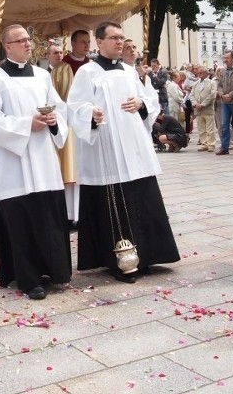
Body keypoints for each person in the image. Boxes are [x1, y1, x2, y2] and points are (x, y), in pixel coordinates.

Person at [68, 21, 180, 283]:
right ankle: (119, 260)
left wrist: (142, 104)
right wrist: (91, 114)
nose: (120, 42)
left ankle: (148, 254)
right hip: (106, 148)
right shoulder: (88, 72)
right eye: (114, 38)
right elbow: (74, 107)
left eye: (121, 37)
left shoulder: (130, 71)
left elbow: (149, 103)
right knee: (114, 204)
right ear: (100, 42)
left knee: (141, 199)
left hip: (135, 148)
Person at [0, 24, 71, 300]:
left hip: (42, 159)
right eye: (21, 41)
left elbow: (59, 108)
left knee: (47, 217)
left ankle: (55, 271)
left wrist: (55, 123)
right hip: (14, 163)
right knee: (22, 222)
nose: (28, 45)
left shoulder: (43, 75)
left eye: (29, 40)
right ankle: (29, 279)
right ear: (7, 47)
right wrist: (25, 125)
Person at [48, 43, 79, 224]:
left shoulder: (66, 70)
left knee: (69, 169)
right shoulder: (42, 73)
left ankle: (71, 214)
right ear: (47, 55)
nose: (59, 55)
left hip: (65, 123)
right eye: (55, 52)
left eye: (61, 52)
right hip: (52, 125)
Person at [190, 67, 218, 151]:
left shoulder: (212, 83)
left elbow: (213, 95)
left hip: (207, 109)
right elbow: (191, 95)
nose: (199, 75)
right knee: (201, 128)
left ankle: (211, 144)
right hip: (198, 109)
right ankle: (204, 143)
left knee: (210, 128)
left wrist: (203, 104)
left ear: (206, 73)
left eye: (201, 73)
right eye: (198, 73)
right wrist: (195, 104)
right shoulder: (196, 83)